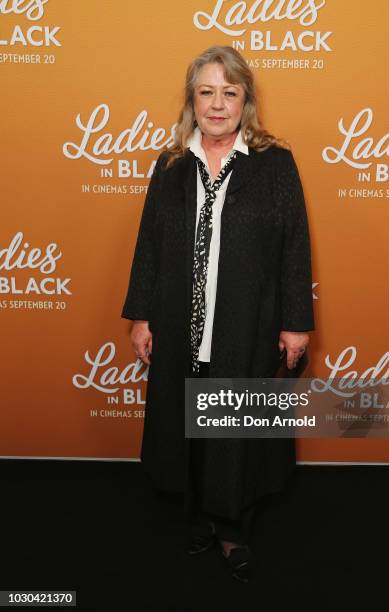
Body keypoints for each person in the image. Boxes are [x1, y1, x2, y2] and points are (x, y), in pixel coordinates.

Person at [121, 45, 314, 583]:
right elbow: (150, 247)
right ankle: (201, 517)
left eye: (229, 92)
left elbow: (294, 246)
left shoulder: (274, 162)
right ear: (193, 98)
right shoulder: (171, 163)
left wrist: (296, 320)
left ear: (245, 99)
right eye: (206, 92)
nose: (217, 103)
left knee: (236, 427)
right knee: (191, 426)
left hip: (246, 321)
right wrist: (142, 316)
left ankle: (234, 530)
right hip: (180, 321)